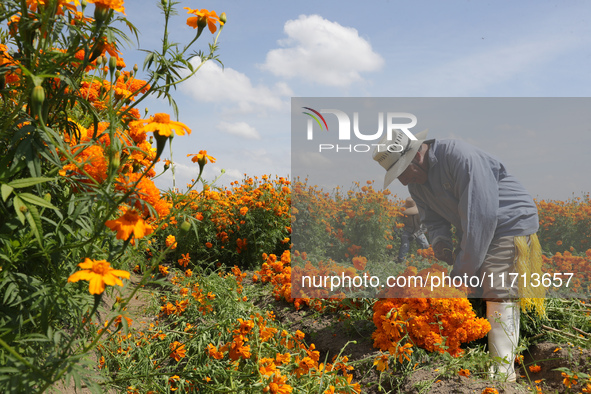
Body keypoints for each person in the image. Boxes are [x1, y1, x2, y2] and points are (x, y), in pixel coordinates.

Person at [372, 129, 544, 382]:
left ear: (418, 154)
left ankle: (503, 374)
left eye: (402, 171)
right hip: (479, 226)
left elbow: (481, 218)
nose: (403, 181)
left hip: (508, 221)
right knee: (479, 284)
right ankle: (487, 354)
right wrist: (440, 242)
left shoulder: (459, 157)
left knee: (496, 286)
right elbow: (432, 219)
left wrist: (461, 274)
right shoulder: (417, 183)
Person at [397, 196, 430, 263]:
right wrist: (399, 233)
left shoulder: (420, 213)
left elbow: (425, 227)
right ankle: (401, 260)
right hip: (406, 231)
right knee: (405, 245)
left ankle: (428, 258)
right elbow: (397, 224)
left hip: (418, 231)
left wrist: (415, 235)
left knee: (426, 245)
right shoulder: (402, 214)